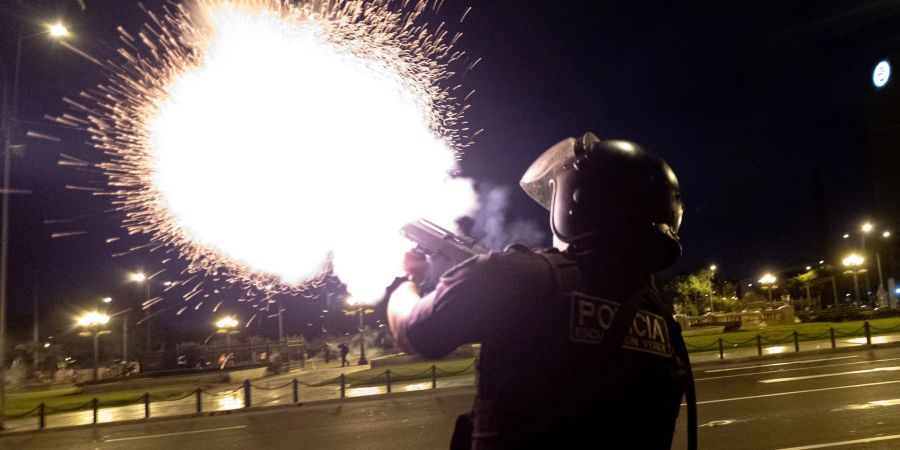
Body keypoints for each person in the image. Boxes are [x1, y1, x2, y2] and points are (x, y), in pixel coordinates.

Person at [388, 133, 696, 449]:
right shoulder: (661, 318)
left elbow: (415, 332)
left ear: (574, 202)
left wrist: (404, 281)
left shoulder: (516, 277)